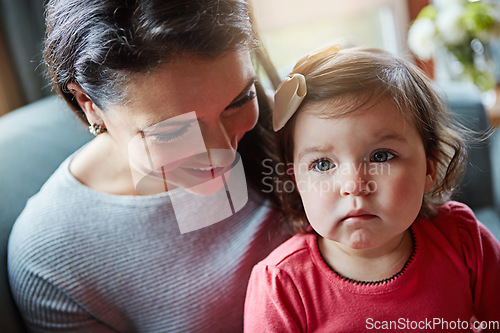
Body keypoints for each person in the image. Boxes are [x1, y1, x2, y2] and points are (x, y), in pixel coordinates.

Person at [8, 0, 288, 331]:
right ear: (89, 105)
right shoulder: (54, 256)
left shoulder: (299, 129)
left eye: (239, 101)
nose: (224, 152)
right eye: (176, 130)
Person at [244, 45, 500, 332]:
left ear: (429, 167)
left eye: (381, 156)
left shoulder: (463, 239)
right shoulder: (281, 286)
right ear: (296, 181)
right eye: (323, 164)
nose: (354, 186)